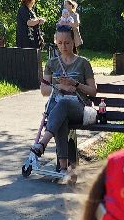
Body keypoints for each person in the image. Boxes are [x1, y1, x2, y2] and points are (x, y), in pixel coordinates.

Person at [29, 23, 96, 184]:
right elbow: (44, 90)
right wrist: (59, 86)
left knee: (63, 104)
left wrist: (76, 84)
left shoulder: (83, 63)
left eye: (67, 42)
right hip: (59, 108)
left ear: (74, 42)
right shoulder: (52, 63)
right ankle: (63, 167)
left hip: (79, 107)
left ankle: (42, 144)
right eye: (59, 43)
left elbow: (93, 91)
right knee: (60, 115)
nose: (63, 46)